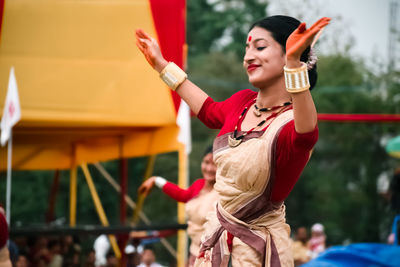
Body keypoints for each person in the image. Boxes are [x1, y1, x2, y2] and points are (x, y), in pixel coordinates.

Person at [136, 14, 330, 266]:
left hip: (258, 252)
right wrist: (161, 65)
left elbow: (306, 134)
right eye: (247, 48)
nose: (248, 56)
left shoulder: (291, 123)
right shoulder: (242, 103)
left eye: (259, 47)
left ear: (289, 53)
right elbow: (207, 110)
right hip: (214, 244)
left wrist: (294, 63)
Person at [139, 146, 218, 266]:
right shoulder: (199, 184)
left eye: (215, 164)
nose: (209, 168)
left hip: (216, 255)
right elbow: (182, 195)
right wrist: (156, 180)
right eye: (206, 162)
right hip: (195, 251)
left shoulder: (224, 190)